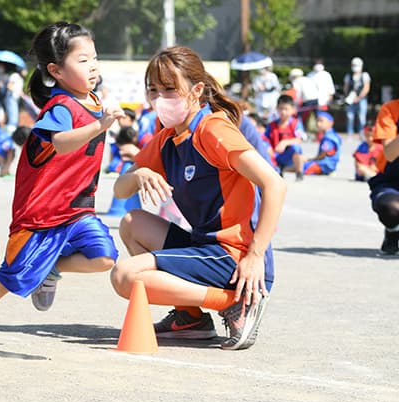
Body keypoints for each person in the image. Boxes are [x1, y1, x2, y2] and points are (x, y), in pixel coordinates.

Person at [0, 21, 124, 359]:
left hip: (76, 209)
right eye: (83, 60)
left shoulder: (95, 101)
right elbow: (59, 143)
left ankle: (52, 269)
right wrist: (101, 125)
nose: (93, 66)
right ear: (56, 70)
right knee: (8, 278)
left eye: (94, 58)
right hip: (39, 215)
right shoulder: (60, 107)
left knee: (103, 258)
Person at [110, 45, 286, 351]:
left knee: (125, 276)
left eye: (169, 89)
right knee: (131, 223)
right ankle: (190, 319)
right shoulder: (168, 137)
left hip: (235, 257)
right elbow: (120, 190)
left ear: (196, 90)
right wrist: (138, 175)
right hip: (204, 247)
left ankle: (235, 303)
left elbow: (275, 184)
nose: (160, 98)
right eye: (153, 90)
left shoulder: (212, 129)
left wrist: (256, 255)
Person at [368, 98, 399, 255]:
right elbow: (390, 154)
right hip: (392, 180)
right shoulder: (390, 109)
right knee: (390, 208)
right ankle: (392, 230)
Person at [266, 94, 306, 181]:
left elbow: (300, 138)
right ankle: (276, 170)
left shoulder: (296, 123)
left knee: (297, 148)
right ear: (277, 109)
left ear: (293, 110)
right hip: (275, 154)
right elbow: (265, 138)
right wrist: (268, 147)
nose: (283, 112)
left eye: (286, 109)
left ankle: (299, 172)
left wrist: (285, 142)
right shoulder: (272, 125)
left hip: (289, 155)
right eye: (281, 109)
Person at [302, 111, 341, 176]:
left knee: (303, 167)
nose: (318, 124)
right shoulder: (332, 135)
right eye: (317, 121)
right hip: (328, 164)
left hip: (325, 164)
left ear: (330, 123)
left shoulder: (328, 138)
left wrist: (309, 159)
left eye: (321, 121)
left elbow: (323, 155)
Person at [343, 57, 371, 135]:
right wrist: (348, 97)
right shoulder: (348, 76)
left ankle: (362, 133)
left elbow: (366, 88)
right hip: (351, 99)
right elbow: (346, 88)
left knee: (362, 117)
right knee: (350, 116)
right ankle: (350, 132)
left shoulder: (365, 75)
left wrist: (359, 98)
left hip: (362, 99)